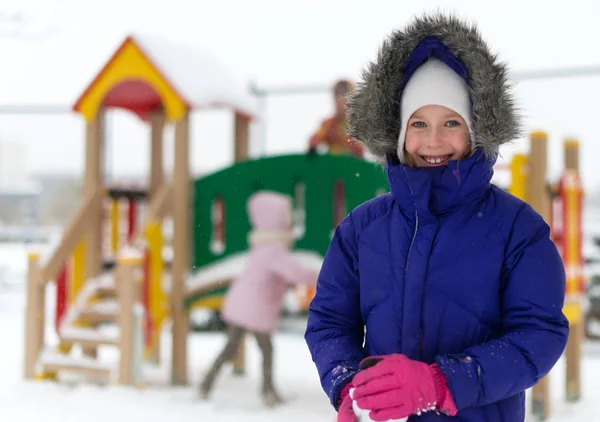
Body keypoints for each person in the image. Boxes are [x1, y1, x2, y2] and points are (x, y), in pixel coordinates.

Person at [304, 12, 569, 422]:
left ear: (475, 130)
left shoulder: (518, 229)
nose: (433, 141)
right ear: (399, 133)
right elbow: (329, 320)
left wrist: (442, 382)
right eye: (419, 123)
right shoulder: (362, 228)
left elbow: (538, 334)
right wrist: (346, 385)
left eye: (451, 123)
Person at [200, 191, 319, 407]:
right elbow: (295, 273)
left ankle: (207, 384)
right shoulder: (273, 250)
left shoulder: (264, 246)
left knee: (231, 348)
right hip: (253, 308)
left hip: (243, 304)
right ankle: (268, 392)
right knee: (265, 349)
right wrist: (319, 276)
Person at [307, 79, 365, 158]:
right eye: (337, 95)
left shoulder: (357, 125)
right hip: (333, 166)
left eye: (345, 95)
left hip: (351, 165)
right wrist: (313, 146)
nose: (341, 100)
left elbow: (360, 150)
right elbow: (315, 139)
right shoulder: (328, 124)